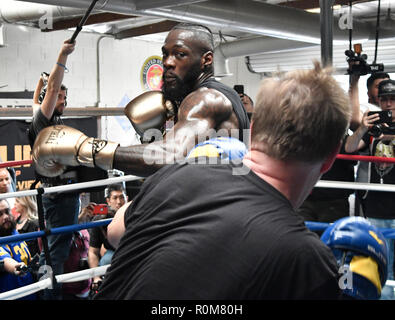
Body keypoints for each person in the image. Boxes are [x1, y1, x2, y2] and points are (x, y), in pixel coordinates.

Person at [92, 61, 351, 300]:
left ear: (255, 127)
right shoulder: (305, 259)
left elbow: (114, 234)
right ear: (330, 158)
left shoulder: (179, 173)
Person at [31, 23, 250, 180]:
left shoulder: (205, 99)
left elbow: (170, 155)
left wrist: (87, 149)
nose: (168, 63)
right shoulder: (223, 94)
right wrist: (150, 141)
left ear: (207, 60)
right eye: (165, 54)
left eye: (179, 54)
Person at [28, 38, 79, 300]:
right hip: (59, 196)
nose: (63, 100)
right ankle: (50, 297)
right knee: (57, 254)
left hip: (62, 194)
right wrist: (62, 56)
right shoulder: (42, 121)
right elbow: (47, 95)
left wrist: (40, 80)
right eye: (60, 96)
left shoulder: (45, 117)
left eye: (65, 97)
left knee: (55, 249)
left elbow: (37, 99)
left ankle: (46, 290)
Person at [345, 79, 395, 300]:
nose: (389, 104)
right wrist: (363, 128)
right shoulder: (374, 127)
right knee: (382, 263)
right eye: (384, 99)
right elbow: (349, 148)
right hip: (376, 207)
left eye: (393, 99)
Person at [88, 184, 128, 291]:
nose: (119, 202)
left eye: (122, 197)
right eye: (115, 198)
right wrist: (96, 277)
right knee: (106, 261)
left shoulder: (135, 214)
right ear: (108, 201)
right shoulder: (100, 220)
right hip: (112, 254)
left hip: (132, 251)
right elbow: (93, 251)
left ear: (127, 198)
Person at [0, 199, 36, 300]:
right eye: (0, 214)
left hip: (30, 293)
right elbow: (6, 260)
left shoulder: (13, 232)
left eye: (7, 212)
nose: (6, 217)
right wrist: (15, 267)